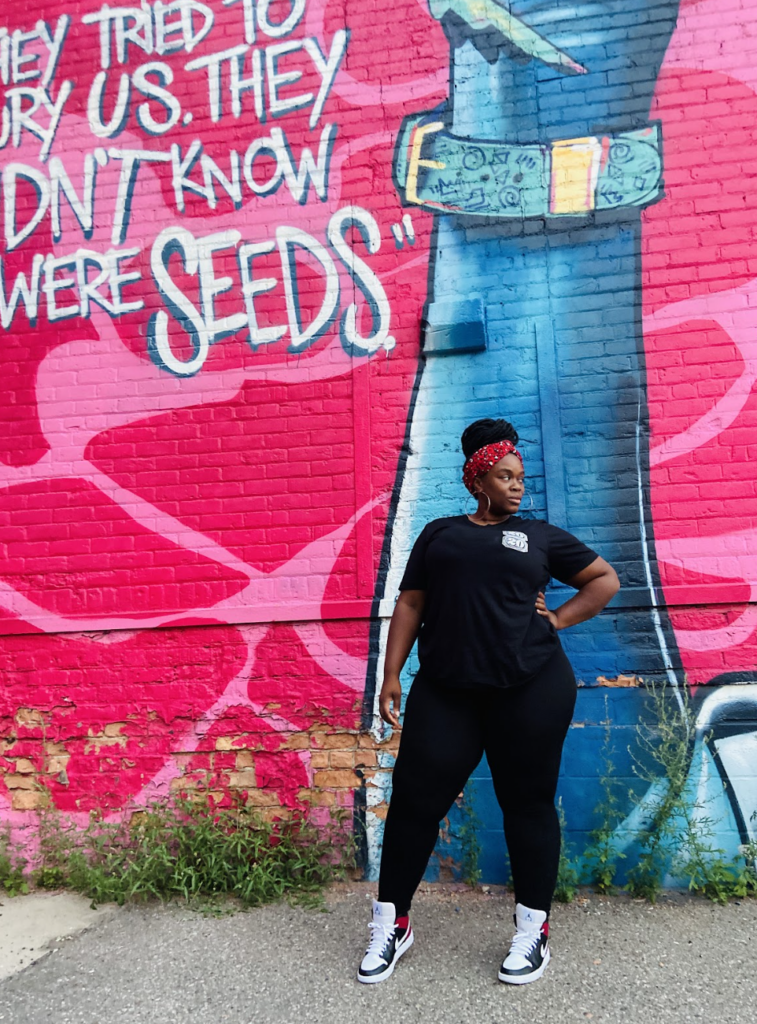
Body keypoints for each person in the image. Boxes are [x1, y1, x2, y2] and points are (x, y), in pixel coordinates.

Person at [357, 417, 620, 985]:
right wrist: (391, 674)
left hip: (531, 688)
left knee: (527, 806)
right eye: (504, 476)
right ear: (478, 482)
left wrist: (558, 619)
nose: (517, 485)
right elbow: (410, 605)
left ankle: (532, 932)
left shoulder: (540, 535)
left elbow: (603, 580)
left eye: (519, 476)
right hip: (448, 692)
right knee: (413, 805)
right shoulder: (440, 533)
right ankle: (391, 923)